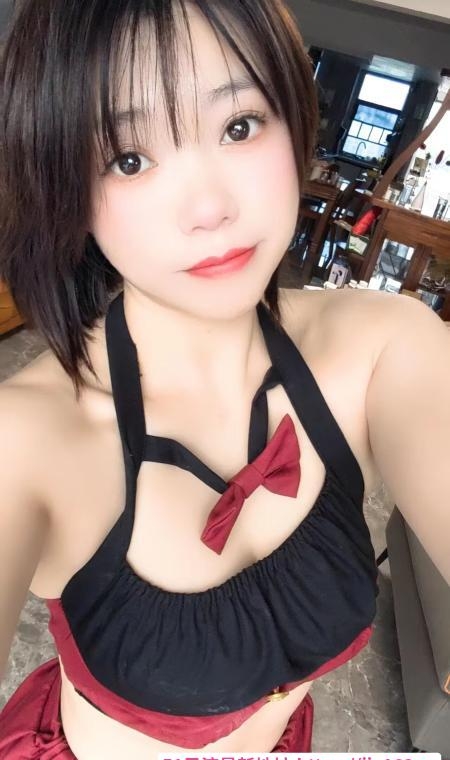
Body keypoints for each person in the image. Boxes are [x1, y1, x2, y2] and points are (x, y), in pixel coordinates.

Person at [0, 1, 449, 758]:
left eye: (239, 126)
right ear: (65, 186)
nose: (209, 209)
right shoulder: (26, 440)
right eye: (129, 159)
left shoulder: (384, 348)